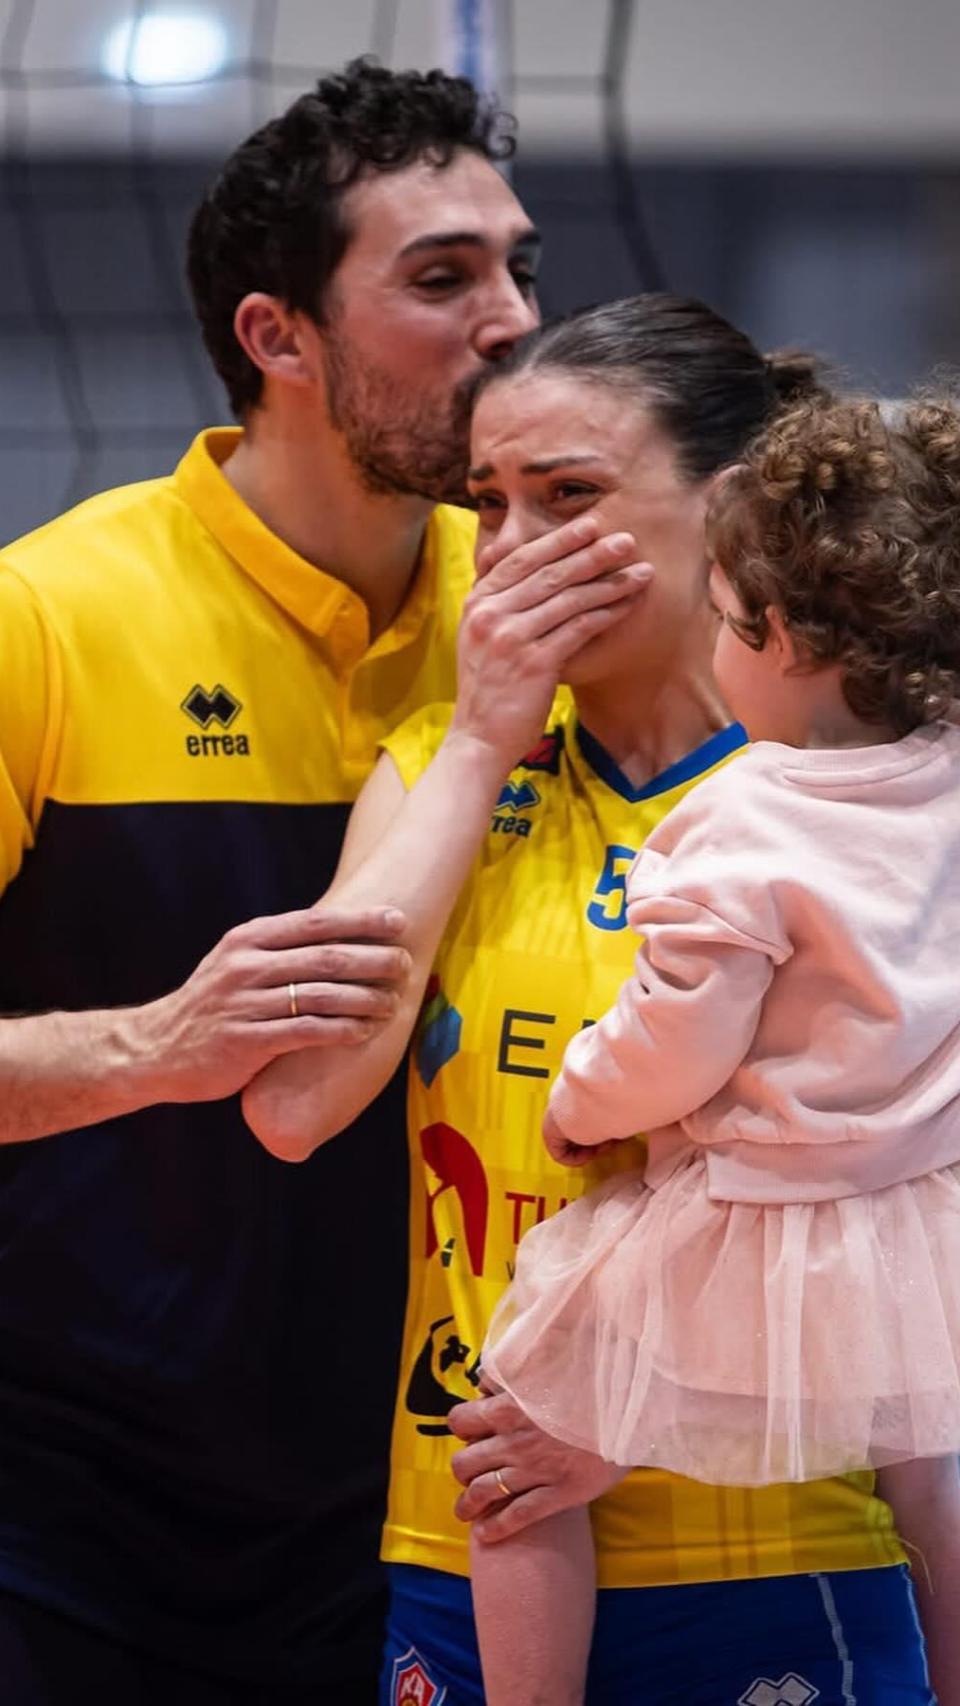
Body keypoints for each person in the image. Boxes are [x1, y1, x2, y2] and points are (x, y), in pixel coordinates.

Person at [244, 298, 953, 1706]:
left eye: (567, 497)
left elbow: (916, 1210)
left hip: (786, 1540)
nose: (507, 549)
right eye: (487, 502)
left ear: (735, 514)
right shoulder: (438, 768)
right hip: (476, 1525)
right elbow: (295, 1103)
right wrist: (481, 740)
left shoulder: (866, 804)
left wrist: (627, 1418)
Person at [0, 56, 569, 1704]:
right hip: (60, 1515)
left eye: (519, 266)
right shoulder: (47, 618)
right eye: (443, 278)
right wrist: (149, 1047)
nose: (515, 321)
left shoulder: (548, 620)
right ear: (279, 336)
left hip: (426, 1505)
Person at [471, 390, 960, 1702]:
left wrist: (581, 1101)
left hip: (753, 1220)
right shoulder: (948, 773)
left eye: (721, 610)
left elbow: (674, 1044)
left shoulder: (742, 819)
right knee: (935, 1474)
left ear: (778, 635)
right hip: (918, 1228)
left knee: (512, 1440)